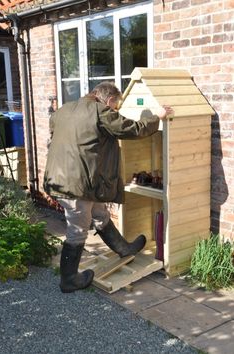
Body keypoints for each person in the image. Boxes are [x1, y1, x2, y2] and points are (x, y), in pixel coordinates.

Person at [43, 82, 173, 293]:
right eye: (116, 106)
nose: (116, 110)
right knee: (78, 229)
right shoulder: (99, 111)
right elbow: (132, 129)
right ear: (110, 100)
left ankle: (124, 249)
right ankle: (69, 280)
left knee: (99, 212)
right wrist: (156, 116)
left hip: (61, 177)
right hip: (75, 183)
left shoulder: (64, 110)